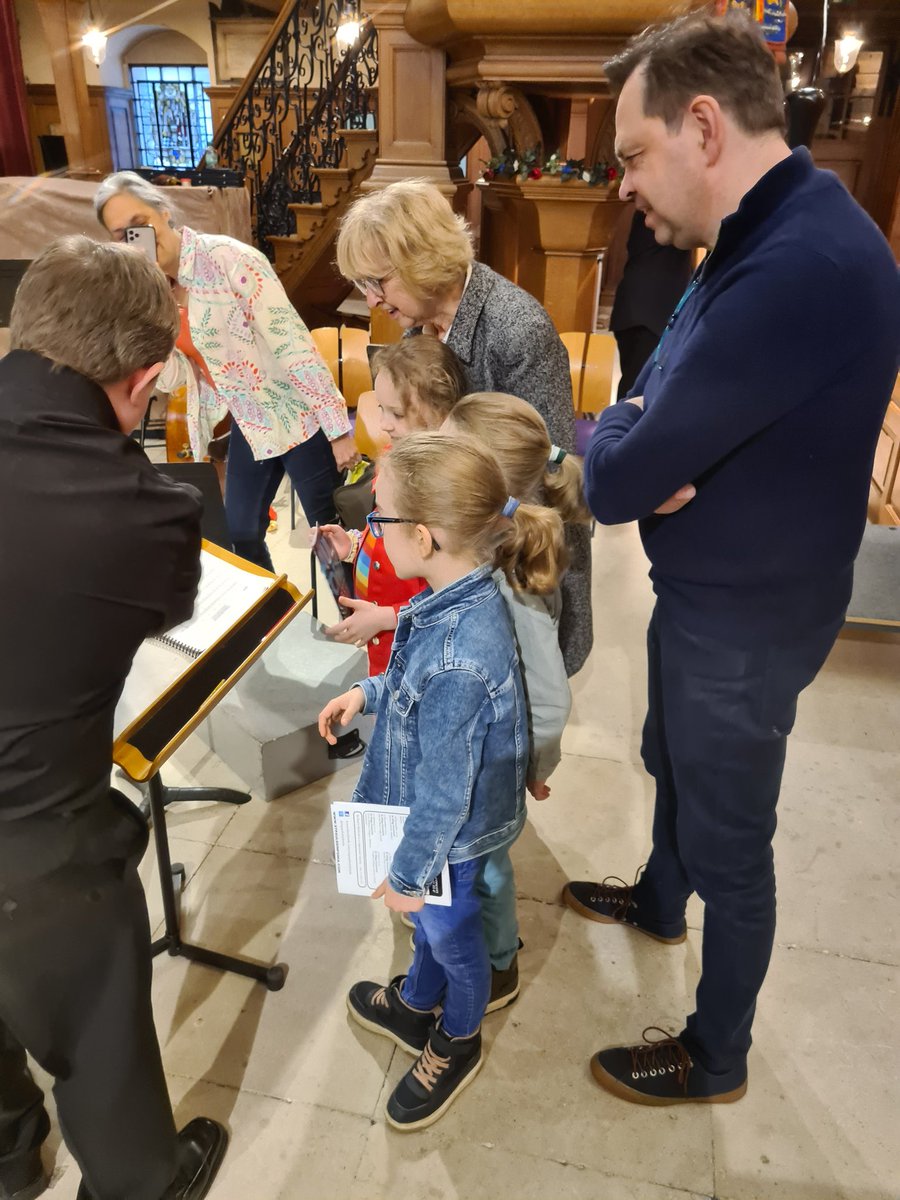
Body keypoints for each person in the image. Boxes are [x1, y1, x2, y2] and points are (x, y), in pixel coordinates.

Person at [563, 12, 900, 1106]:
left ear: (701, 125)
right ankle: (663, 902)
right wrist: (635, 429)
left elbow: (611, 479)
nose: (622, 186)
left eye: (630, 155)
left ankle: (717, 1053)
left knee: (732, 836)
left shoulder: (801, 259)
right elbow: (645, 395)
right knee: (675, 762)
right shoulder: (765, 229)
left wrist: (630, 437)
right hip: (713, 590)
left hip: (747, 616)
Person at [0, 237, 227, 1200]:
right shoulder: (144, 509)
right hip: (35, 850)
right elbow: (170, 606)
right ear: (140, 379)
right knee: (102, 1044)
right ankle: (143, 1181)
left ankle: (11, 1159)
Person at [318, 432, 566, 1130]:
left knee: (452, 941)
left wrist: (407, 872)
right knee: (427, 933)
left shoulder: (462, 657)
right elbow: (410, 674)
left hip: (444, 842)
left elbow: (444, 795)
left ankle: (456, 1037)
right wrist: (367, 693)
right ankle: (412, 1005)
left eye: (380, 515)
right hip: (434, 833)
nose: (372, 528)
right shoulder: (449, 598)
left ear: (422, 537)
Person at [335, 178, 593, 677]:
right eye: (362, 285)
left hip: (519, 564)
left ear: (421, 258)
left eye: (378, 282)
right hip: (466, 560)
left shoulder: (516, 330)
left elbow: (543, 475)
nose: (370, 301)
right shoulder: (421, 326)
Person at [94, 171, 359, 570]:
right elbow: (174, 377)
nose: (135, 237)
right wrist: (147, 318)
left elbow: (292, 343)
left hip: (300, 417)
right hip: (250, 423)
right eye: (121, 234)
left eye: (140, 223)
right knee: (240, 532)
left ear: (164, 212)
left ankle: (360, 621)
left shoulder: (230, 260)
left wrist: (337, 427)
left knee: (330, 538)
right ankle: (273, 616)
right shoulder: (153, 292)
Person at [443, 392, 587, 1007]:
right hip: (475, 741)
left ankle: (499, 964)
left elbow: (550, 701)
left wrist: (535, 767)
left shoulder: (517, 583)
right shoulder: (492, 551)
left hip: (498, 757)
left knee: (490, 865)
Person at [318, 337, 469, 673]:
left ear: (441, 411)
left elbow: (454, 596)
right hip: (383, 639)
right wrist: (355, 545)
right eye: (380, 409)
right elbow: (383, 526)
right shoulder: (393, 461)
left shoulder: (445, 491)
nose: (384, 424)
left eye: (396, 413)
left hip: (418, 648)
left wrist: (386, 617)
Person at [609, 208, 693, 398]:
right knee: (639, 392)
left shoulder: (652, 205)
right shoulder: (668, 208)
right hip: (651, 311)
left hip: (636, 308)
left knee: (636, 386)